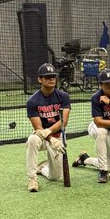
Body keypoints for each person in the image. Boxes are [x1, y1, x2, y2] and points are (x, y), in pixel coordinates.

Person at [72, 69, 110, 182]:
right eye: (107, 84)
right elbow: (99, 122)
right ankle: (102, 172)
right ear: (101, 85)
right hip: (96, 127)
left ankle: (85, 159)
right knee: (102, 132)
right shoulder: (96, 97)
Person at [25, 62, 70, 192]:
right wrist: (50, 138)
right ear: (40, 79)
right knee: (32, 140)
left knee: (55, 177)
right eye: (47, 77)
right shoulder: (32, 101)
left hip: (57, 137)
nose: (51, 79)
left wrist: (51, 134)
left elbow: (64, 121)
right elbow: (38, 128)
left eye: (53, 77)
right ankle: (32, 179)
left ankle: (42, 168)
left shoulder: (63, 96)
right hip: (41, 137)